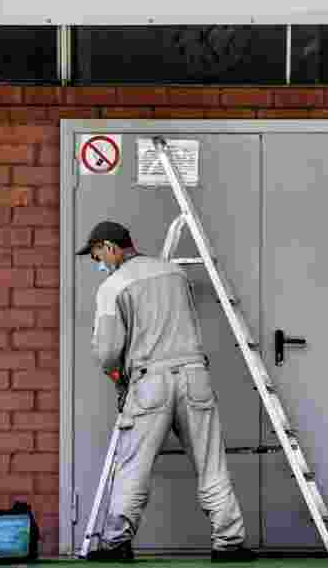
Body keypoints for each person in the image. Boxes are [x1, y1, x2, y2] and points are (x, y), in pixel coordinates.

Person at [77, 220, 257, 563]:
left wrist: (117, 377)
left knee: (133, 467)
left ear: (109, 246)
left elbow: (107, 350)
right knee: (211, 463)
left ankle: (116, 544)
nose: (98, 262)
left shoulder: (113, 286)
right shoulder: (175, 274)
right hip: (194, 376)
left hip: (149, 383)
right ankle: (229, 543)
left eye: (97, 254)